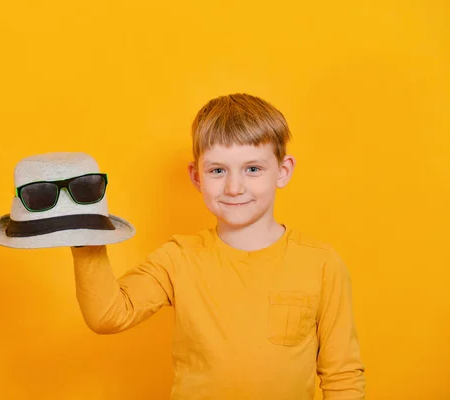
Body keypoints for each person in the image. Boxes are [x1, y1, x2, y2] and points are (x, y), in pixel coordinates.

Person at [70, 93, 365, 399]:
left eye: (252, 169)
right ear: (197, 177)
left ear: (283, 170)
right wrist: (84, 238)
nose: (234, 187)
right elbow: (108, 315)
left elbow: (342, 375)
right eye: (217, 170)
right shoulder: (178, 258)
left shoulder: (320, 263)